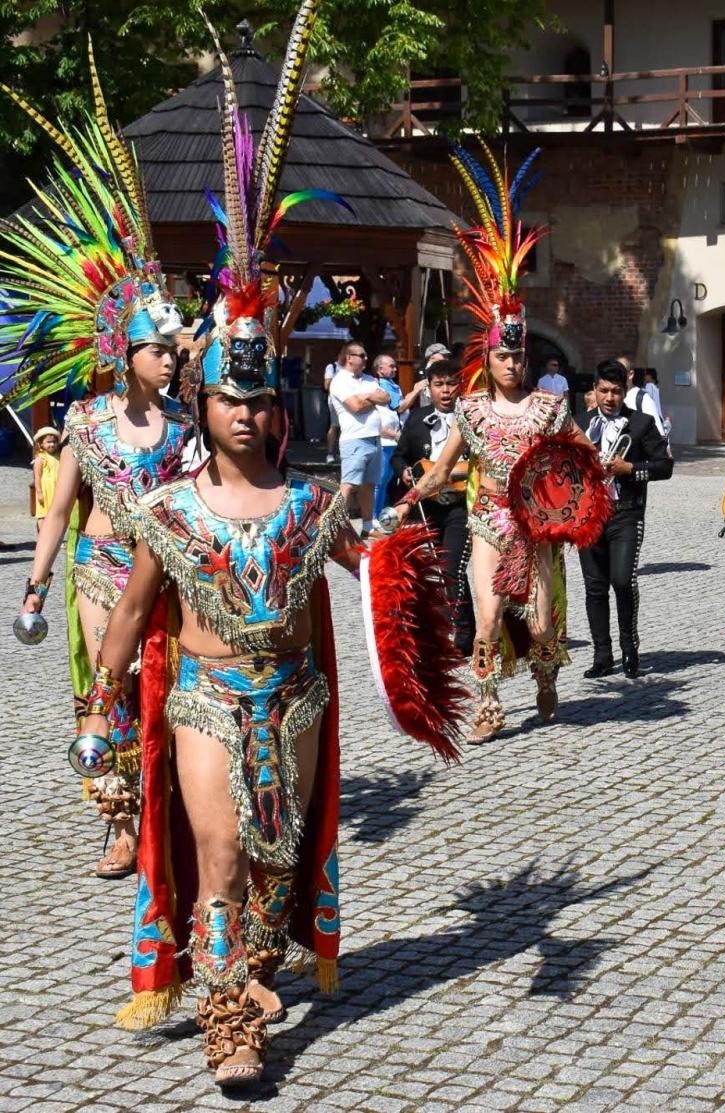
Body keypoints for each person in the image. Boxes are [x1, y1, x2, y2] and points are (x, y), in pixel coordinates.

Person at [85, 7, 386, 1086]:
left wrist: (415, 554)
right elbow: (126, 618)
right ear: (205, 405)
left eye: (263, 403)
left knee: (273, 857)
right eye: (229, 401)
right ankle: (229, 1022)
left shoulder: (314, 506)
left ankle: (257, 963)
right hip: (207, 699)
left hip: (294, 698)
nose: (249, 418)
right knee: (216, 854)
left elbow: (381, 581)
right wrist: (104, 716)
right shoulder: (166, 510)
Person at [3, 68, 188, 881]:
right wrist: (37, 584)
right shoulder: (81, 423)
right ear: (124, 353)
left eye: (174, 351)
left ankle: (173, 799)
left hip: (171, 570)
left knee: (168, 685)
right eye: (159, 350)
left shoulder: (186, 428)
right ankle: (117, 820)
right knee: (108, 687)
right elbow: (57, 512)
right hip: (99, 569)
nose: (171, 362)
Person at [400, 142, 610, 736]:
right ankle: (488, 703)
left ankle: (545, 677)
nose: (512, 365)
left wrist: (586, 501)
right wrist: (407, 502)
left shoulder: (550, 406)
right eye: (503, 356)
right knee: (487, 615)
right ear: (486, 359)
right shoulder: (468, 411)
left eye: (519, 355)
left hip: (537, 524)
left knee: (541, 624)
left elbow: (583, 457)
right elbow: (442, 470)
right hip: (489, 517)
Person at [577, 359, 674, 678]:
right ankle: (602, 655)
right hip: (588, 517)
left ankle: (630, 648)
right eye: (604, 391)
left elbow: (665, 466)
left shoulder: (642, 423)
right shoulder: (579, 423)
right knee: (594, 588)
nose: (609, 398)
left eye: (616, 392)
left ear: (625, 392)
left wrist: (631, 469)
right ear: (594, 390)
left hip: (626, 514)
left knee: (622, 580)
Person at [395, 358, 475, 654]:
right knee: (429, 569)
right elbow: (399, 455)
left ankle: (465, 633)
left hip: (460, 506)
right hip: (426, 506)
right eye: (439, 385)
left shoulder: (472, 419)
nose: (445, 391)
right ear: (428, 388)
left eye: (451, 384)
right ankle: (437, 630)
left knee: (452, 568)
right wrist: (402, 470)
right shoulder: (417, 418)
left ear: (460, 386)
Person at [327, 343, 388, 533]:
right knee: (348, 484)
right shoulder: (339, 381)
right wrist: (372, 398)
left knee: (369, 485)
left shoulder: (370, 379)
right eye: (361, 355)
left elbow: (386, 398)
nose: (365, 359)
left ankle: (368, 526)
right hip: (355, 439)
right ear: (349, 357)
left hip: (374, 438)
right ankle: (334, 528)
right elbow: (355, 406)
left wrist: (365, 397)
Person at [370, 352, 404, 517]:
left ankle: (379, 514)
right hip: (383, 441)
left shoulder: (394, 386)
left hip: (393, 442)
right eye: (390, 366)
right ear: (379, 369)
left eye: (394, 365)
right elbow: (376, 421)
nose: (395, 369)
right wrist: (392, 434)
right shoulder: (376, 388)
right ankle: (372, 516)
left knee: (385, 482)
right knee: (379, 482)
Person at [30, 427, 61, 531]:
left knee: (55, 513)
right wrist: (39, 492)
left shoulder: (59, 457)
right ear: (41, 444)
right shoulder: (40, 458)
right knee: (43, 514)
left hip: (56, 490)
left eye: (54, 442)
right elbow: (37, 477)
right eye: (48, 442)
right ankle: (42, 535)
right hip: (45, 491)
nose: (52, 444)